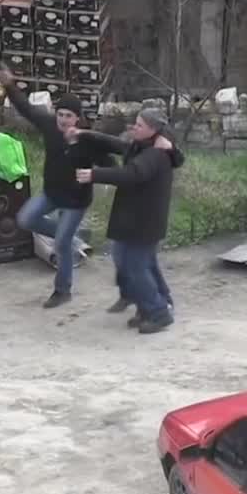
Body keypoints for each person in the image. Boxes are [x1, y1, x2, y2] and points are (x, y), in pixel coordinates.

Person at [0, 67, 114, 308]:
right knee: (25, 219)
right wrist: (9, 85)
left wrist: (93, 175)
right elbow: (26, 108)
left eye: (68, 116)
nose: (63, 120)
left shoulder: (88, 139)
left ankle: (63, 290)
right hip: (52, 193)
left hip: (75, 201)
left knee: (61, 243)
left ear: (78, 118)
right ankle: (69, 237)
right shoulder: (49, 125)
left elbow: (111, 166)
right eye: (60, 114)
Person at [74, 108, 183, 334]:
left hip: (143, 221)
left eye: (140, 125)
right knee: (134, 261)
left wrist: (95, 175)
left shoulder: (154, 154)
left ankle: (159, 312)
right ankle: (153, 304)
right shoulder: (141, 145)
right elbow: (114, 143)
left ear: (153, 130)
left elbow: (133, 174)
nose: (134, 127)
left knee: (134, 265)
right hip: (135, 218)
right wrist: (84, 134)